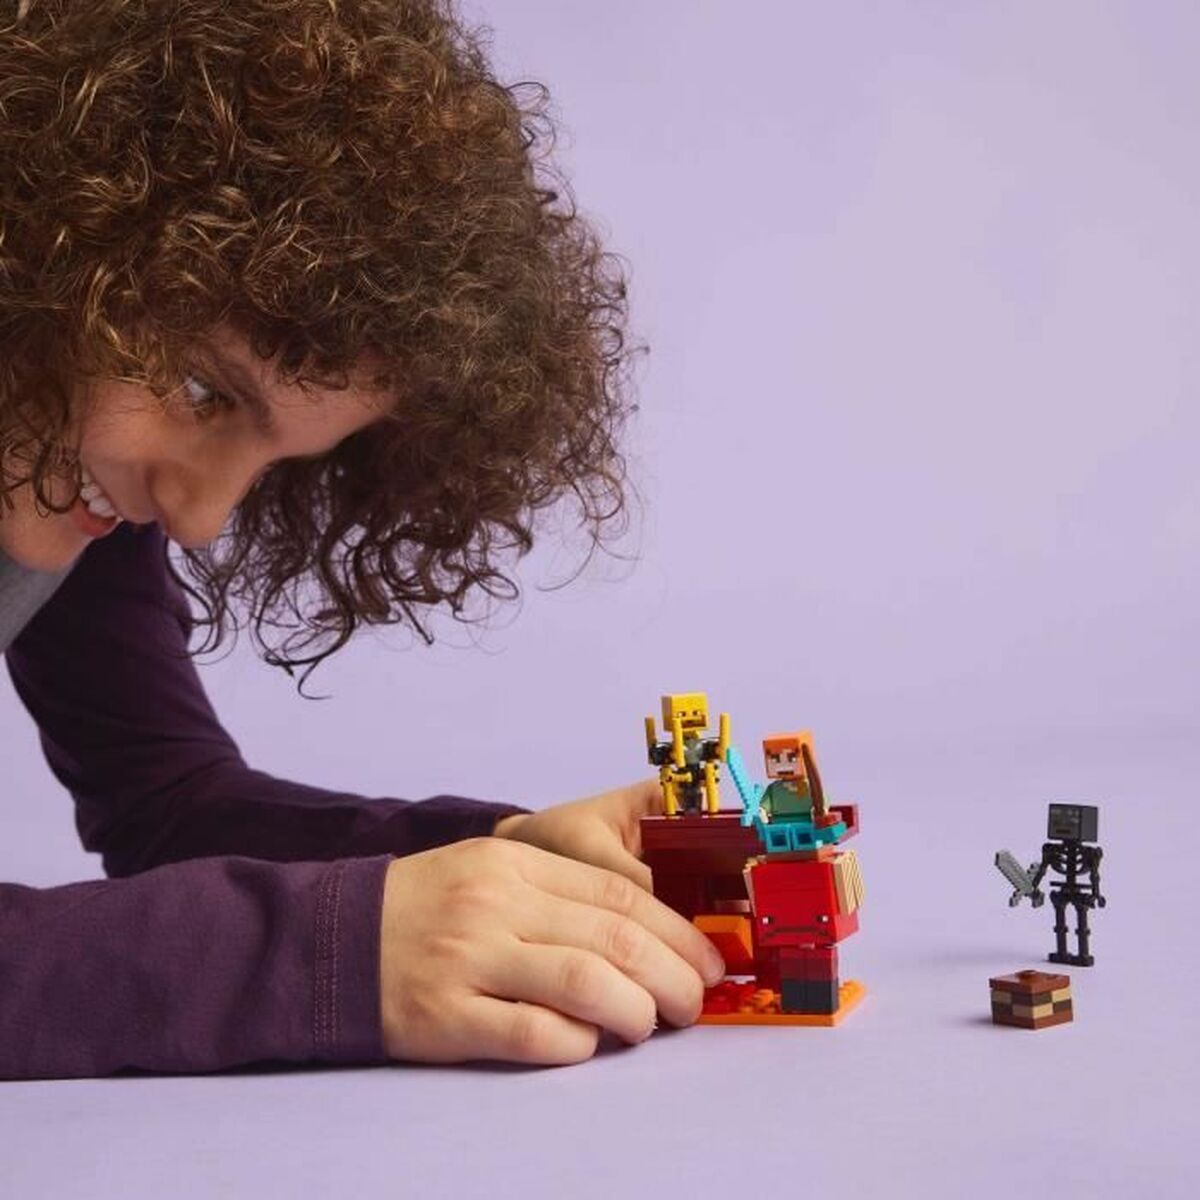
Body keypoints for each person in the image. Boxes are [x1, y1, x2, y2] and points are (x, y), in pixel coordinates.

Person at [0, 0, 724, 1080]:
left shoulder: (73, 465)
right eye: (203, 391)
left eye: (274, 460)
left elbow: (164, 803)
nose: (199, 515)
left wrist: (494, 865)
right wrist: (328, 955)